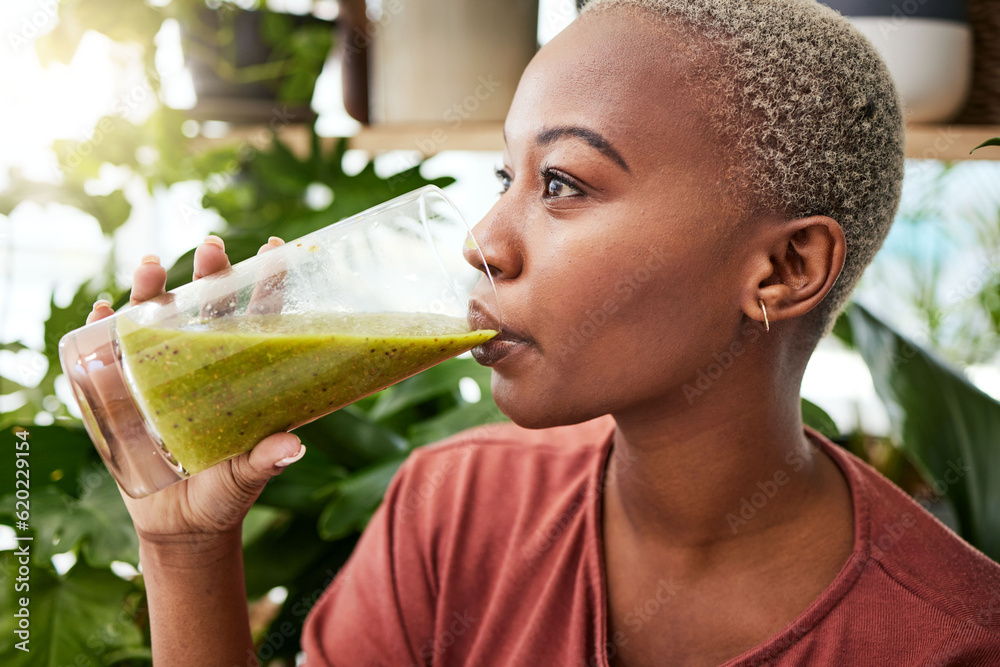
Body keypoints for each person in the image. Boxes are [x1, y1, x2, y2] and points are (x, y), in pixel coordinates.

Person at [89, 0, 1000, 665]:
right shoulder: (455, 511)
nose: (483, 241)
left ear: (784, 270)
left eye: (562, 182)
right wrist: (185, 549)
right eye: (503, 177)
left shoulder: (948, 639)